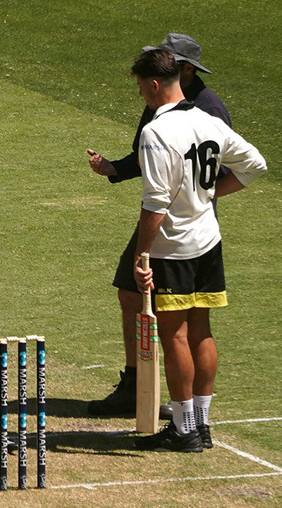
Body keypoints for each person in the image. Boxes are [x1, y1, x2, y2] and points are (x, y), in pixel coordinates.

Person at [83, 33, 231, 420]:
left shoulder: (207, 108)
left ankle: (186, 422)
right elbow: (149, 157)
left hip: (175, 228)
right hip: (177, 222)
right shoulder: (161, 101)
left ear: (182, 68)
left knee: (180, 330)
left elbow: (220, 169)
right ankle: (141, 387)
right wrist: (115, 168)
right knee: (133, 296)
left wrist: (198, 200)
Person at [127, 48, 265, 452]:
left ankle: (184, 429)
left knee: (175, 337)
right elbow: (254, 165)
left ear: (155, 85)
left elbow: (156, 202)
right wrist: (206, 196)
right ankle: (202, 424)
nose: (140, 95)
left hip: (174, 249)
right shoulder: (207, 120)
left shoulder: (156, 132)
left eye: (140, 87)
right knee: (202, 330)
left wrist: (141, 256)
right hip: (209, 241)